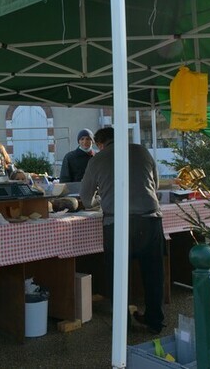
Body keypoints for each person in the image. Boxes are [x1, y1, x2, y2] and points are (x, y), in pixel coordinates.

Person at [80, 127, 165, 334]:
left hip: (117, 223)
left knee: (117, 276)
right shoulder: (142, 151)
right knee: (153, 274)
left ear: (100, 144)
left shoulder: (97, 160)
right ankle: (155, 321)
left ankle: (122, 324)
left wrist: (100, 199)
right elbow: (156, 185)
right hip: (150, 219)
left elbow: (85, 198)